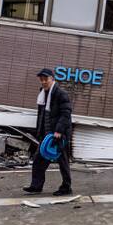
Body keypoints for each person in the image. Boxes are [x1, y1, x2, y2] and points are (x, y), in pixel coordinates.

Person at [23, 68, 73, 196]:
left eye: (46, 79)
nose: (44, 82)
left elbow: (66, 114)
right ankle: (36, 186)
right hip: (46, 135)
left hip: (58, 135)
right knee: (39, 160)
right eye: (41, 79)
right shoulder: (42, 94)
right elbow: (42, 115)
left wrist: (59, 131)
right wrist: (39, 131)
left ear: (52, 79)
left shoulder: (61, 94)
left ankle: (66, 187)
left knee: (63, 162)